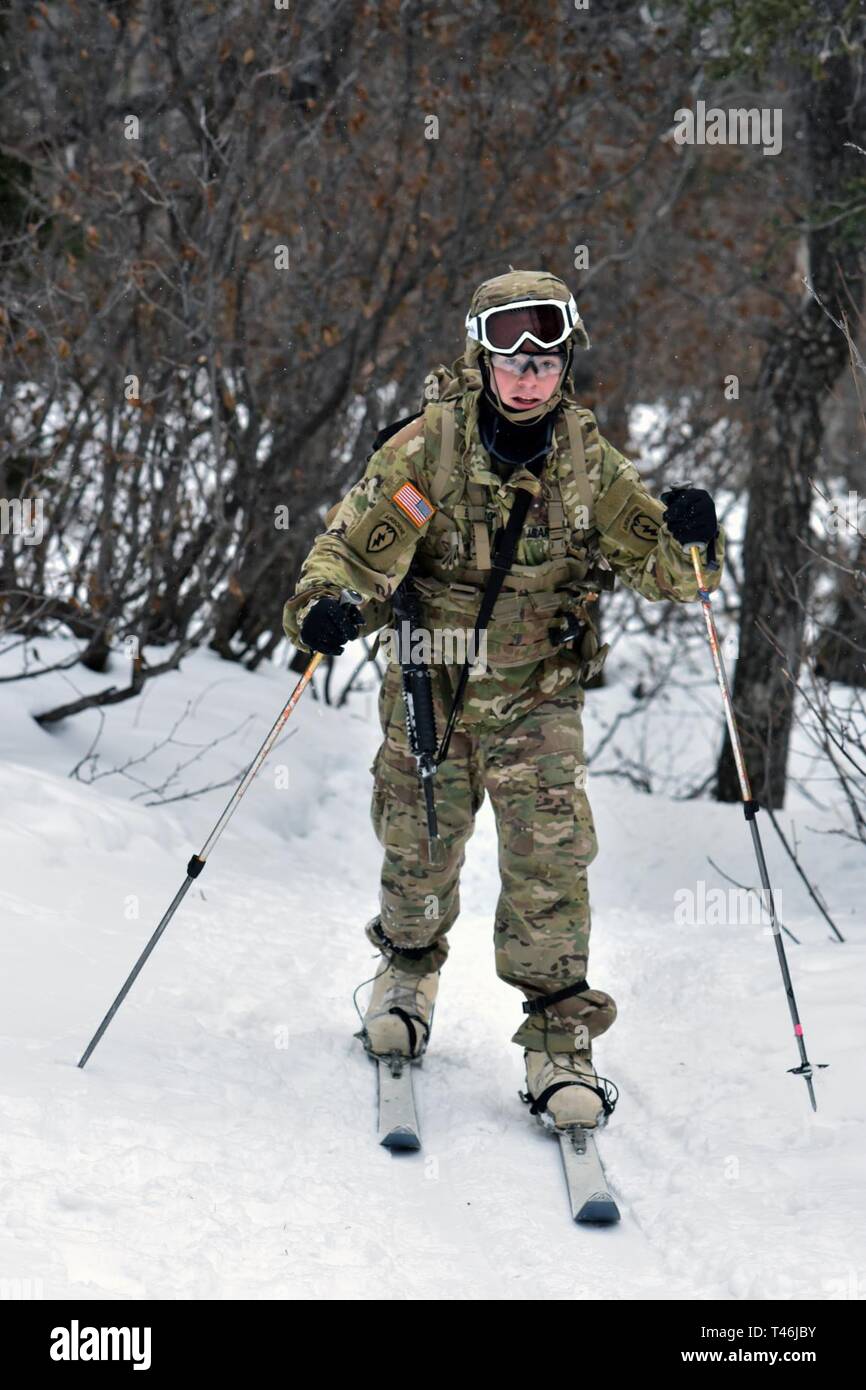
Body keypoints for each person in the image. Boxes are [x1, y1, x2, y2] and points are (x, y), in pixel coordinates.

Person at [282, 269, 725, 1130]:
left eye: (546, 356)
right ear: (482, 358)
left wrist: (693, 533)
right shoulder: (425, 452)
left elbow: (669, 574)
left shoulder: (588, 464)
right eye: (510, 354)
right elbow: (351, 555)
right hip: (432, 681)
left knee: (549, 864)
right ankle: (405, 979)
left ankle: (559, 1043)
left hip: (537, 693)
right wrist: (327, 609)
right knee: (419, 848)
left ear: (567, 362)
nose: (528, 372)